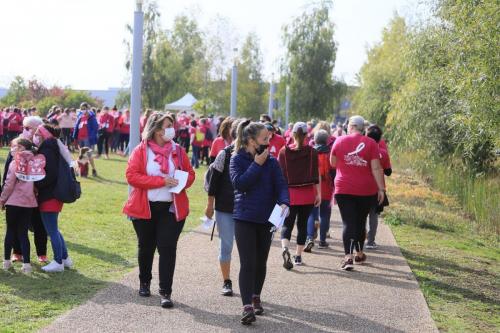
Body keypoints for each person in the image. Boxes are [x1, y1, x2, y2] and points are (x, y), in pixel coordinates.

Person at [123, 112, 195, 309]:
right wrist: (160, 181)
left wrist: (180, 182)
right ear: (155, 129)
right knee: (145, 247)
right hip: (144, 207)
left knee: (167, 248)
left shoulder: (179, 150)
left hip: (172, 209)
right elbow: (132, 176)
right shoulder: (141, 150)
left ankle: (165, 292)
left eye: (171, 125)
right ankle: (144, 282)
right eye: (165, 126)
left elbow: (190, 175)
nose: (169, 129)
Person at [230, 120, 289, 325]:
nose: (268, 142)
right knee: (247, 263)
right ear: (250, 140)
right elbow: (240, 184)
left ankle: (256, 295)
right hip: (244, 217)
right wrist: (257, 164)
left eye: (269, 139)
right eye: (264, 139)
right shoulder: (236, 159)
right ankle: (247, 306)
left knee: (260, 261)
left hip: (266, 219)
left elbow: (281, 185)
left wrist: (284, 202)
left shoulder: (272, 162)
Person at [330, 115, 385, 271]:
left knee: (348, 222)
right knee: (361, 221)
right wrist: (381, 189)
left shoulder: (339, 141)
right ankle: (359, 253)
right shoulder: (371, 143)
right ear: (363, 128)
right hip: (366, 190)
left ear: (351, 126)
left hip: (344, 188)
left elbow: (333, 163)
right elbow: (376, 168)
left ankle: (348, 257)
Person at [3, 116, 48, 264]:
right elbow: (8, 173)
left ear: (38, 129)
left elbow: (46, 172)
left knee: (39, 225)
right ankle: (17, 253)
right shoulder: (17, 146)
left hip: (36, 196)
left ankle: (42, 253)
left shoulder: (43, 147)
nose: (25, 131)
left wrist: (38, 188)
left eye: (28, 128)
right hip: (16, 197)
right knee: (17, 227)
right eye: (24, 127)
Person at [205, 119, 240, 297]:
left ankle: (249, 286)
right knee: (225, 246)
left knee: (247, 249)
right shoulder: (224, 154)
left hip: (246, 210)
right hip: (225, 208)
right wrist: (210, 205)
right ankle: (226, 281)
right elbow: (214, 183)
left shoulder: (258, 156)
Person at [278, 122, 320, 268]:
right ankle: (298, 257)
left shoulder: (283, 152)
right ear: (306, 135)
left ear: (292, 134)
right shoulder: (312, 152)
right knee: (302, 225)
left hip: (289, 194)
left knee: (287, 224)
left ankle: (284, 248)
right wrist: (318, 194)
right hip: (307, 194)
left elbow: (280, 175)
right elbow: (316, 175)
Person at [33, 124, 73, 272]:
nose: (35, 136)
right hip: (53, 194)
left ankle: (58, 262)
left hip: (49, 195)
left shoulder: (48, 150)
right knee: (54, 228)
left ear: (43, 134)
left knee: (51, 230)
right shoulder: (52, 147)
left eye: (37, 133)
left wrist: (37, 184)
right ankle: (65, 258)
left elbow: (51, 175)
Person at [1, 138, 42, 273]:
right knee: (23, 234)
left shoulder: (15, 162)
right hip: (29, 202)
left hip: (13, 202)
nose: (13, 149)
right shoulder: (35, 162)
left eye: (15, 147)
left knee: (10, 231)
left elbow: (8, 184)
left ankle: (6, 262)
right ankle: (27, 264)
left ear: (21, 148)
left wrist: (2, 200)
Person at [304, 130, 335, 251]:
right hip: (326, 188)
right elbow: (334, 172)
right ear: (327, 140)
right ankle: (322, 241)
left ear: (315, 140)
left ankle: (310, 238)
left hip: (313, 187)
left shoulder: (310, 153)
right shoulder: (330, 153)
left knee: (311, 213)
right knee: (325, 215)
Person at [365, 125, 392, 249]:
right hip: (378, 188)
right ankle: (371, 241)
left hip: (363, 186)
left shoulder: (362, 150)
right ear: (379, 138)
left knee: (361, 214)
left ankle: (361, 236)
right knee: (374, 215)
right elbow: (388, 172)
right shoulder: (383, 153)